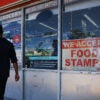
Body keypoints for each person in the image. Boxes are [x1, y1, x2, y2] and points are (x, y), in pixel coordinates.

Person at [0, 24, 20, 100]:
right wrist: (17, 73)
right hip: (4, 73)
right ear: (2, 32)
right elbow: (14, 61)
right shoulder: (9, 44)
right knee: (1, 93)